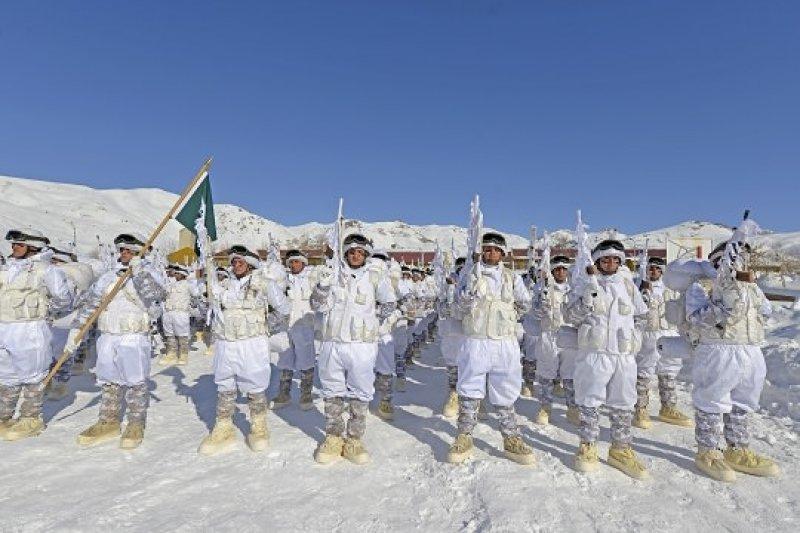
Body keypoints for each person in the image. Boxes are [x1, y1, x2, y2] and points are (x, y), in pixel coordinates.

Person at [689, 242, 779, 482]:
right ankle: (707, 452)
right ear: (720, 262)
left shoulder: (752, 287)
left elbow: (766, 311)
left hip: (750, 349)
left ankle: (736, 449)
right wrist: (722, 307)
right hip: (719, 351)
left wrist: (745, 290)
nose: (740, 264)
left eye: (744, 259)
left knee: (743, 402)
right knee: (712, 400)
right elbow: (696, 320)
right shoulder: (702, 286)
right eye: (734, 260)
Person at [447, 232, 535, 466]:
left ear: (503, 254)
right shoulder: (469, 275)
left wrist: (508, 315)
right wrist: (467, 295)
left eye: (496, 250)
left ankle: (511, 437)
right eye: (487, 249)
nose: (491, 253)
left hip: (504, 342)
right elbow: (455, 310)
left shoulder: (511, 278)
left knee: (505, 391)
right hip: (476, 341)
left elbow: (525, 304)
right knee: (469, 389)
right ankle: (464, 436)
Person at [73, 233, 165, 450]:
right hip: (107, 335)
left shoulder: (151, 273)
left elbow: (155, 299)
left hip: (133, 336)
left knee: (135, 381)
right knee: (108, 380)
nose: (124, 254)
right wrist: (77, 330)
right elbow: (92, 303)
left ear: (142, 252)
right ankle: (108, 421)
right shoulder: (108, 275)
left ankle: (135, 423)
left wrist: (139, 272)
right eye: (122, 250)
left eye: (130, 250)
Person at [310, 233, 397, 465]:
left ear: (366, 254)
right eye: (351, 251)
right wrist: (322, 286)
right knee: (332, 391)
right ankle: (333, 436)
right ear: (345, 253)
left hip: (361, 345)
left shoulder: (375, 275)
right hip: (333, 343)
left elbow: (390, 302)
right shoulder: (332, 273)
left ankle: (354, 438)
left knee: (360, 392)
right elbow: (317, 305)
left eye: (360, 252)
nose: (355, 255)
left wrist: (373, 321)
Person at [568, 239, 649, 479]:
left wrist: (634, 339)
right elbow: (570, 316)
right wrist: (587, 300)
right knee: (590, 401)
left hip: (623, 356)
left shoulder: (628, 285)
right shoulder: (585, 283)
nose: (610, 263)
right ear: (597, 261)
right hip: (595, 354)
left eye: (615, 259)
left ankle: (620, 449)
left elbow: (642, 315)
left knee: (623, 402)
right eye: (605, 259)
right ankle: (588, 445)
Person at [198, 245, 290, 455]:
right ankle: (223, 427)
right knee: (225, 384)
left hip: (252, 343)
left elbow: (284, 309)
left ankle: (258, 426)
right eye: (234, 262)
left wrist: (266, 326)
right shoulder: (222, 285)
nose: (237, 265)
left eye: (241, 262)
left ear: (249, 264)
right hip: (226, 343)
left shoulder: (264, 284)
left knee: (255, 384)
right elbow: (210, 310)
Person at [0, 229, 74, 440]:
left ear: (33, 247)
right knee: (6, 377)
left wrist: (43, 311)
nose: (14, 248)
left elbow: (63, 299)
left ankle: (31, 419)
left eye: (19, 245)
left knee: (32, 377)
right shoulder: (7, 269)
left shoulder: (47, 271)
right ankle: (4, 417)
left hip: (29, 329)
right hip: (5, 328)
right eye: (13, 245)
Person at [634, 256, 692, 428]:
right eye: (650, 268)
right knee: (644, 371)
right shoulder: (638, 286)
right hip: (648, 334)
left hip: (669, 333)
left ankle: (668, 407)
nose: (653, 272)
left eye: (657, 269)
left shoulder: (671, 288)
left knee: (669, 371)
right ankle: (640, 409)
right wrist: (642, 291)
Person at [273, 250, 318, 411]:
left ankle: (306, 394)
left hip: (304, 326)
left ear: (303, 263)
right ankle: (284, 394)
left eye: (296, 262)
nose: (293, 265)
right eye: (291, 262)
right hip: (286, 326)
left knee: (306, 360)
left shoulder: (312, 279)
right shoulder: (283, 280)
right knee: (285, 360)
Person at [160, 264, 198, 366]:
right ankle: (171, 353)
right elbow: (163, 295)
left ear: (183, 274)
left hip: (181, 313)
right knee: (169, 335)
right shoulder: (170, 285)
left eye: (177, 273)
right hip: (169, 312)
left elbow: (196, 295)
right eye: (175, 273)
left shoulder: (188, 285)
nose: (175, 275)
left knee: (182, 335)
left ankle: (183, 354)